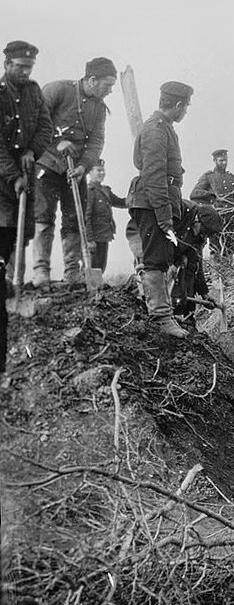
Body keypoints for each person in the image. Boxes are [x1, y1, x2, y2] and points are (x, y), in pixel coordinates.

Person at [33, 56, 116, 287]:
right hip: (47, 164)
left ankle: (72, 272)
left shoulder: (99, 109)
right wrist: (56, 142)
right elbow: (35, 120)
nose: (110, 91)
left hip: (75, 171)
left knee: (72, 220)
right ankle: (41, 271)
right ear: (92, 79)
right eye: (108, 85)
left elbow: (96, 141)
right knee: (44, 216)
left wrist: (83, 167)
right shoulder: (57, 90)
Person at [127, 81, 194, 339]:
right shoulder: (156, 131)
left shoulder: (165, 129)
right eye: (186, 106)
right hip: (152, 202)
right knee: (155, 258)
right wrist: (165, 218)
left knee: (161, 256)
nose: (186, 111)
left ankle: (161, 311)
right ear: (177, 105)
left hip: (157, 200)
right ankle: (160, 317)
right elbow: (154, 176)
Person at [1, 40, 53, 373]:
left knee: (22, 235)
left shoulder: (34, 92)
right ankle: (7, 287)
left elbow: (46, 127)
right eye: (19, 67)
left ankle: (15, 286)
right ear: (6, 64)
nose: (24, 72)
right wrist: (12, 175)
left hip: (25, 172)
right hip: (3, 178)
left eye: (29, 67)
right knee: (4, 233)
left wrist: (32, 150)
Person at [169, 201, 223, 319]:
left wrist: (204, 293)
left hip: (177, 256)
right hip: (156, 251)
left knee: (189, 264)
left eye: (207, 235)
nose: (204, 237)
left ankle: (187, 315)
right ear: (197, 221)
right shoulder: (180, 214)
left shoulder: (198, 238)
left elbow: (197, 265)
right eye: (204, 232)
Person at [191, 149, 234, 265]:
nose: (224, 163)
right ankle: (216, 275)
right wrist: (213, 197)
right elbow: (194, 194)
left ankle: (229, 273)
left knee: (230, 245)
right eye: (221, 161)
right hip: (217, 216)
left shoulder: (231, 177)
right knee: (215, 245)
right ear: (214, 160)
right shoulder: (208, 176)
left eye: (225, 160)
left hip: (232, 216)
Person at [83, 160, 125, 273]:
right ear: (90, 172)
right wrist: (90, 239)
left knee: (101, 266)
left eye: (103, 171)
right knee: (94, 267)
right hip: (95, 237)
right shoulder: (89, 191)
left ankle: (97, 288)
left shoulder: (105, 190)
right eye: (98, 170)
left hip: (104, 235)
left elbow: (121, 202)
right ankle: (92, 289)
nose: (102, 173)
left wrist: (134, 197)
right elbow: (86, 217)